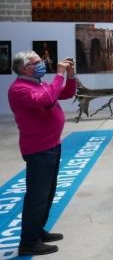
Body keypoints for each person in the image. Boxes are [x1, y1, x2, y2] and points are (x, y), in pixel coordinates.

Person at [7, 51, 76, 256]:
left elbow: (64, 94)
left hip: (52, 145)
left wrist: (70, 76)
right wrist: (59, 74)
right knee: (37, 196)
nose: (42, 64)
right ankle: (28, 241)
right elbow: (46, 100)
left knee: (48, 193)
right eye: (36, 62)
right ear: (23, 68)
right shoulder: (19, 88)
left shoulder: (38, 83)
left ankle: (37, 231)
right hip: (39, 149)